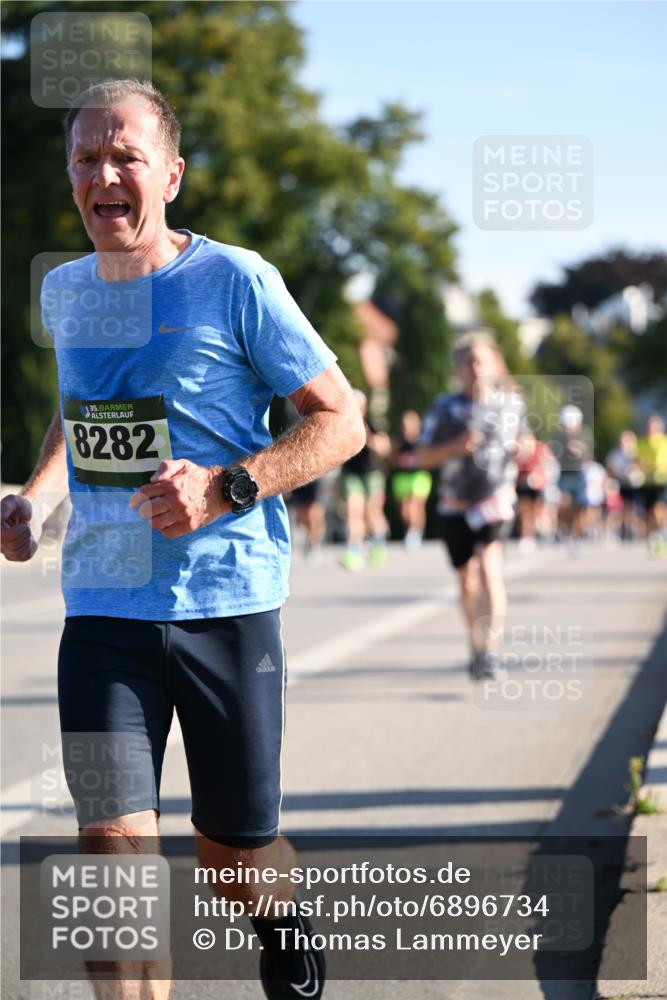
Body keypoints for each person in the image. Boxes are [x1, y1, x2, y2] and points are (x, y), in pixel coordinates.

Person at [1, 79, 366, 1000]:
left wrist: (228, 485)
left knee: (229, 855)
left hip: (226, 609)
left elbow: (341, 420)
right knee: (111, 853)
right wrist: (38, 497)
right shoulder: (68, 289)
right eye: (86, 158)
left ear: (171, 174)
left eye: (125, 155)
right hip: (103, 611)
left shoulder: (235, 280)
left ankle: (280, 919)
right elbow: (78, 406)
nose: (103, 174)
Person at [404, 331, 527, 680]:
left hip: (495, 497)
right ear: (458, 368)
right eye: (468, 362)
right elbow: (422, 456)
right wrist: (454, 448)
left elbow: (525, 439)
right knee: (466, 580)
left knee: (490, 568)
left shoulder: (510, 404)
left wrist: (526, 448)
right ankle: (476, 643)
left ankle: (490, 649)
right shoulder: (445, 408)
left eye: (481, 360)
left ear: (493, 364)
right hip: (455, 503)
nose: (475, 368)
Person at [338, 389, 391, 571]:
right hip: (351, 474)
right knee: (354, 511)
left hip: (372, 474)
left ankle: (378, 540)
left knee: (372, 512)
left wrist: (369, 439)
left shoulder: (371, 424)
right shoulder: (343, 424)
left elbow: (385, 448)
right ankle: (353, 550)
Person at [390, 410, 433, 550]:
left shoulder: (423, 439)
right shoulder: (398, 441)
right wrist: (399, 460)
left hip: (419, 477)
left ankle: (415, 533)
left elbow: (429, 458)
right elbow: (391, 459)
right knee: (404, 509)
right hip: (402, 477)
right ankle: (411, 529)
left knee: (416, 505)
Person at [636, 414, 667, 553]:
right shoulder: (641, 443)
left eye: (652, 426)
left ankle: (660, 532)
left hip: (661, 482)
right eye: (648, 426)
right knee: (648, 514)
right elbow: (638, 461)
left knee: (658, 509)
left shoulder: (664, 442)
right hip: (646, 483)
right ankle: (654, 536)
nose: (650, 429)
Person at [606, 430, 644, 541]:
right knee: (622, 508)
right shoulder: (615, 454)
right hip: (621, 484)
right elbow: (610, 470)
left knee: (635, 509)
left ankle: (634, 530)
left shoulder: (638, 453)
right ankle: (624, 529)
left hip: (636, 485)